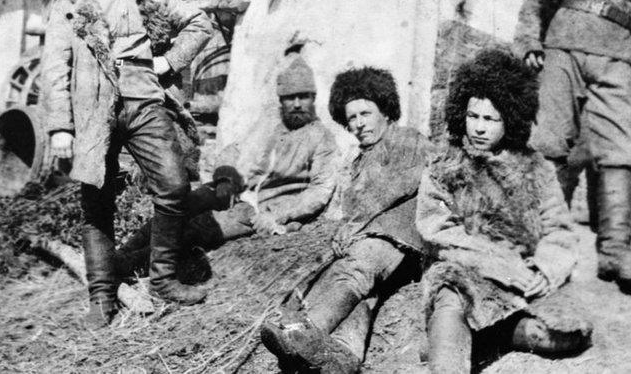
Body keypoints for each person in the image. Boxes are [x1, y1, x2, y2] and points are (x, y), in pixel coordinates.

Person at [42, 0, 248, 328]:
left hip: (144, 103)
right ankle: (101, 297)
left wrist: (168, 62)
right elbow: (54, 68)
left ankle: (163, 280)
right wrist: (61, 126)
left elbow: (198, 23)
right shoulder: (72, 1)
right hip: (93, 112)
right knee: (96, 203)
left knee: (173, 185)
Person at [417, 50, 592, 373]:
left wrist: (544, 270)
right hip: (463, 268)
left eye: (490, 119)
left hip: (520, 277)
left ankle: (492, 336)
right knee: (451, 301)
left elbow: (558, 230)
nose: (479, 128)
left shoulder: (534, 168)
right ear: (461, 114)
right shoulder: (444, 164)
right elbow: (439, 232)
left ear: (509, 119)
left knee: (568, 333)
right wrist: (498, 263)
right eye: (473, 117)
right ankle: (449, 353)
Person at [512, 0, 631, 291]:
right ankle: (547, 241)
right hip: (562, 47)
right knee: (549, 142)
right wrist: (528, 42)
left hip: (620, 54)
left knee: (620, 149)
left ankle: (617, 251)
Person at [260, 67, 433, 373]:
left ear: (385, 111)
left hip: (402, 237)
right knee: (362, 292)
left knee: (353, 270)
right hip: (375, 244)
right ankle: (344, 353)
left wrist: (355, 224)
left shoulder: (407, 139)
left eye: (365, 113)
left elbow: (401, 185)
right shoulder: (358, 159)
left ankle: (303, 334)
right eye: (351, 118)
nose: (358, 124)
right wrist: (345, 227)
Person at [112, 50, 340, 276]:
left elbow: (319, 191)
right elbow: (235, 149)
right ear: (281, 99)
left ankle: (127, 266)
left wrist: (279, 215)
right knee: (180, 205)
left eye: (303, 96)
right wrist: (225, 179)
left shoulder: (321, 138)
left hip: (260, 210)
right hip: (233, 192)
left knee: (199, 229)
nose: (297, 104)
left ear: (313, 98)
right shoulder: (270, 121)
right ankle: (120, 254)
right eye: (290, 98)